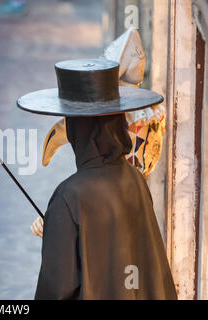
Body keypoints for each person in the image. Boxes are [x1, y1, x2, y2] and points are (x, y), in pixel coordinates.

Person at [18, 58, 177, 299]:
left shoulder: (70, 196)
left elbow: (56, 289)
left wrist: (57, 229)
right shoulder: (134, 178)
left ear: (76, 130)